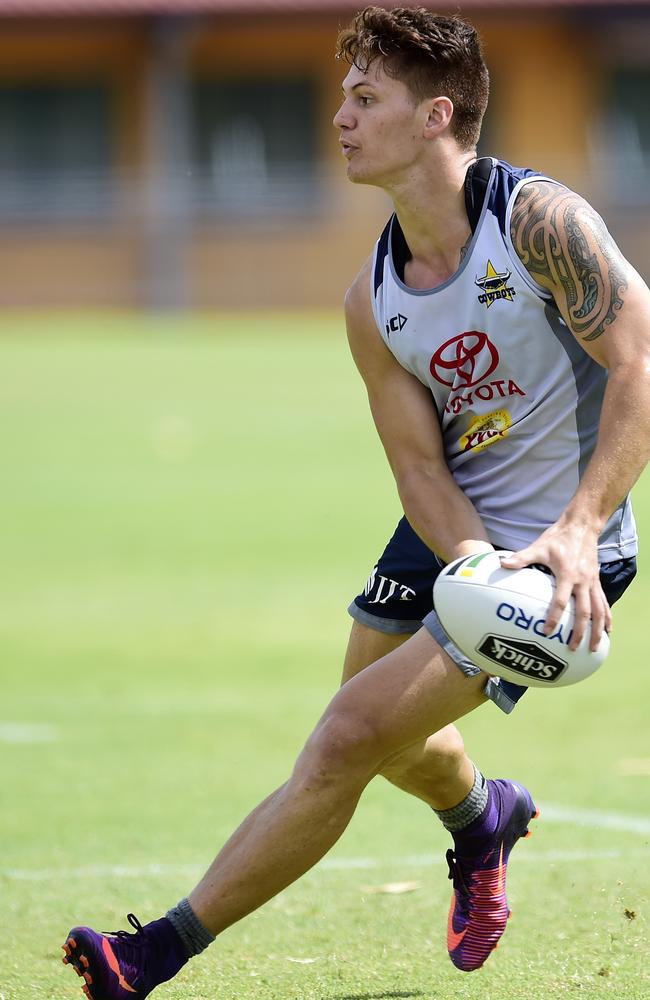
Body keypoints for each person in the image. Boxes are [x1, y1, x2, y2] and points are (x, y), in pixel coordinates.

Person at [61, 7, 650, 999]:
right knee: (385, 740)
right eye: (342, 95)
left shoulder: (537, 224)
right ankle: (482, 820)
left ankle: (149, 952)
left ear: (432, 116)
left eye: (363, 97)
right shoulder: (369, 300)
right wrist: (470, 562)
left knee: (343, 737)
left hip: (566, 544)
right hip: (450, 525)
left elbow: (637, 364)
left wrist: (576, 532)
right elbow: (417, 470)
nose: (338, 116)